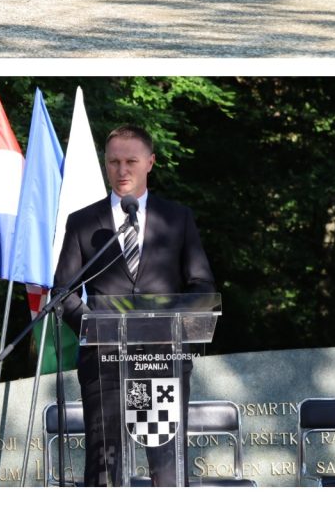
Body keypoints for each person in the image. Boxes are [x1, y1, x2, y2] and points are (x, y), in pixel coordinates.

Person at [50, 126, 216, 487]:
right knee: (105, 464)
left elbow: (202, 287)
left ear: (150, 163)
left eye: (131, 161)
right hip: (104, 361)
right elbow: (62, 292)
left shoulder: (177, 218)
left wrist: (170, 326)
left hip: (162, 360)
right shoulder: (82, 222)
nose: (121, 170)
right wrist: (93, 329)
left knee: (167, 465)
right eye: (113, 162)